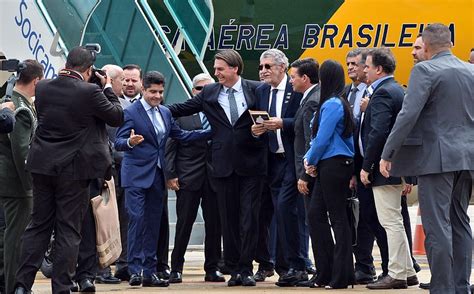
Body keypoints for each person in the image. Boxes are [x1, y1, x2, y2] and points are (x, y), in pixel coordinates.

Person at [13, 46, 124, 294]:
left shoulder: (43, 88)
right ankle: (61, 287)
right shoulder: (91, 91)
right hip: (73, 170)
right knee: (68, 230)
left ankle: (21, 285)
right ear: (87, 70)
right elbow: (116, 116)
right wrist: (106, 87)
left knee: (38, 226)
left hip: (42, 165)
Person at [380, 23, 474, 294]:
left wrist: (388, 153)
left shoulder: (425, 69)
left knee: (436, 226)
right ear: (450, 44)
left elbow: (407, 115)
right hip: (467, 157)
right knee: (460, 222)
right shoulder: (470, 70)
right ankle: (460, 286)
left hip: (436, 159)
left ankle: (443, 288)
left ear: (428, 46)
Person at [167, 49, 265, 287]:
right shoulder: (210, 92)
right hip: (222, 166)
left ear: (235, 69)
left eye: (220, 69)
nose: (216, 73)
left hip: (252, 164)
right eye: (216, 69)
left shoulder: (256, 89)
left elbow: (269, 116)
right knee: (228, 220)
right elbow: (183, 108)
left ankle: (246, 268)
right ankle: (233, 269)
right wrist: (151, 109)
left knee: (249, 218)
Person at [115, 71, 210, 288]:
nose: (157, 96)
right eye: (152, 92)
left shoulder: (165, 112)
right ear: (143, 89)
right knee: (137, 220)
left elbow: (181, 135)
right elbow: (118, 142)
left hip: (158, 175)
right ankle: (135, 268)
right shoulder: (131, 112)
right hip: (136, 174)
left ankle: (150, 270)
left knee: (154, 223)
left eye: (160, 92)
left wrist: (211, 132)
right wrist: (130, 142)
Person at [359, 48, 418, 290]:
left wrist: (366, 165)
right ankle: (407, 270)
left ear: (378, 69)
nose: (364, 70)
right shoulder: (397, 89)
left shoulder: (382, 93)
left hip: (385, 167)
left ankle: (396, 273)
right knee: (394, 219)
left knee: (390, 221)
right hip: (399, 164)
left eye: (367, 66)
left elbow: (379, 132)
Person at [251, 49, 307, 287]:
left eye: (268, 67)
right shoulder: (261, 91)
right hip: (270, 160)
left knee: (287, 210)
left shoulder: (295, 90)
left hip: (291, 158)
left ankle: (297, 263)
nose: (263, 71)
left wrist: (283, 123)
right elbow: (256, 122)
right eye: (261, 67)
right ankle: (279, 265)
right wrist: (255, 131)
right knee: (272, 213)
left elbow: (304, 121)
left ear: (282, 68)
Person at [165, 73, 224, 283]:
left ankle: (213, 268)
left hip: (215, 177)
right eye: (200, 89)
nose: (204, 93)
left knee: (215, 225)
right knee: (184, 224)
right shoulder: (181, 113)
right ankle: (176, 268)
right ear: (193, 91)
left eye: (209, 89)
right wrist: (170, 174)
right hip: (188, 177)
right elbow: (170, 147)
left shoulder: (220, 113)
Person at [303, 59, 355, 289]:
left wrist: (309, 160)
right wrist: (312, 160)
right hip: (327, 164)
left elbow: (322, 138)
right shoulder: (332, 102)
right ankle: (327, 271)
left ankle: (341, 275)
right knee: (316, 215)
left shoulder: (333, 103)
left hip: (334, 164)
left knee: (338, 219)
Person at [0, 60, 43, 294]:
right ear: (36, 81)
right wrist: (29, 186)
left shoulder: (7, 103)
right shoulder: (22, 109)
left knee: (6, 237)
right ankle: (13, 288)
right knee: (16, 240)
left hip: (7, 182)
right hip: (16, 185)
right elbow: (22, 153)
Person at [289, 57, 321, 287]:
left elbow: (310, 142)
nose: (291, 81)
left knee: (314, 221)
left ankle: (320, 270)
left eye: (293, 77)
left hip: (308, 171)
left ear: (305, 78)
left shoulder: (311, 101)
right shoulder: (310, 98)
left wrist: (305, 175)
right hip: (308, 169)